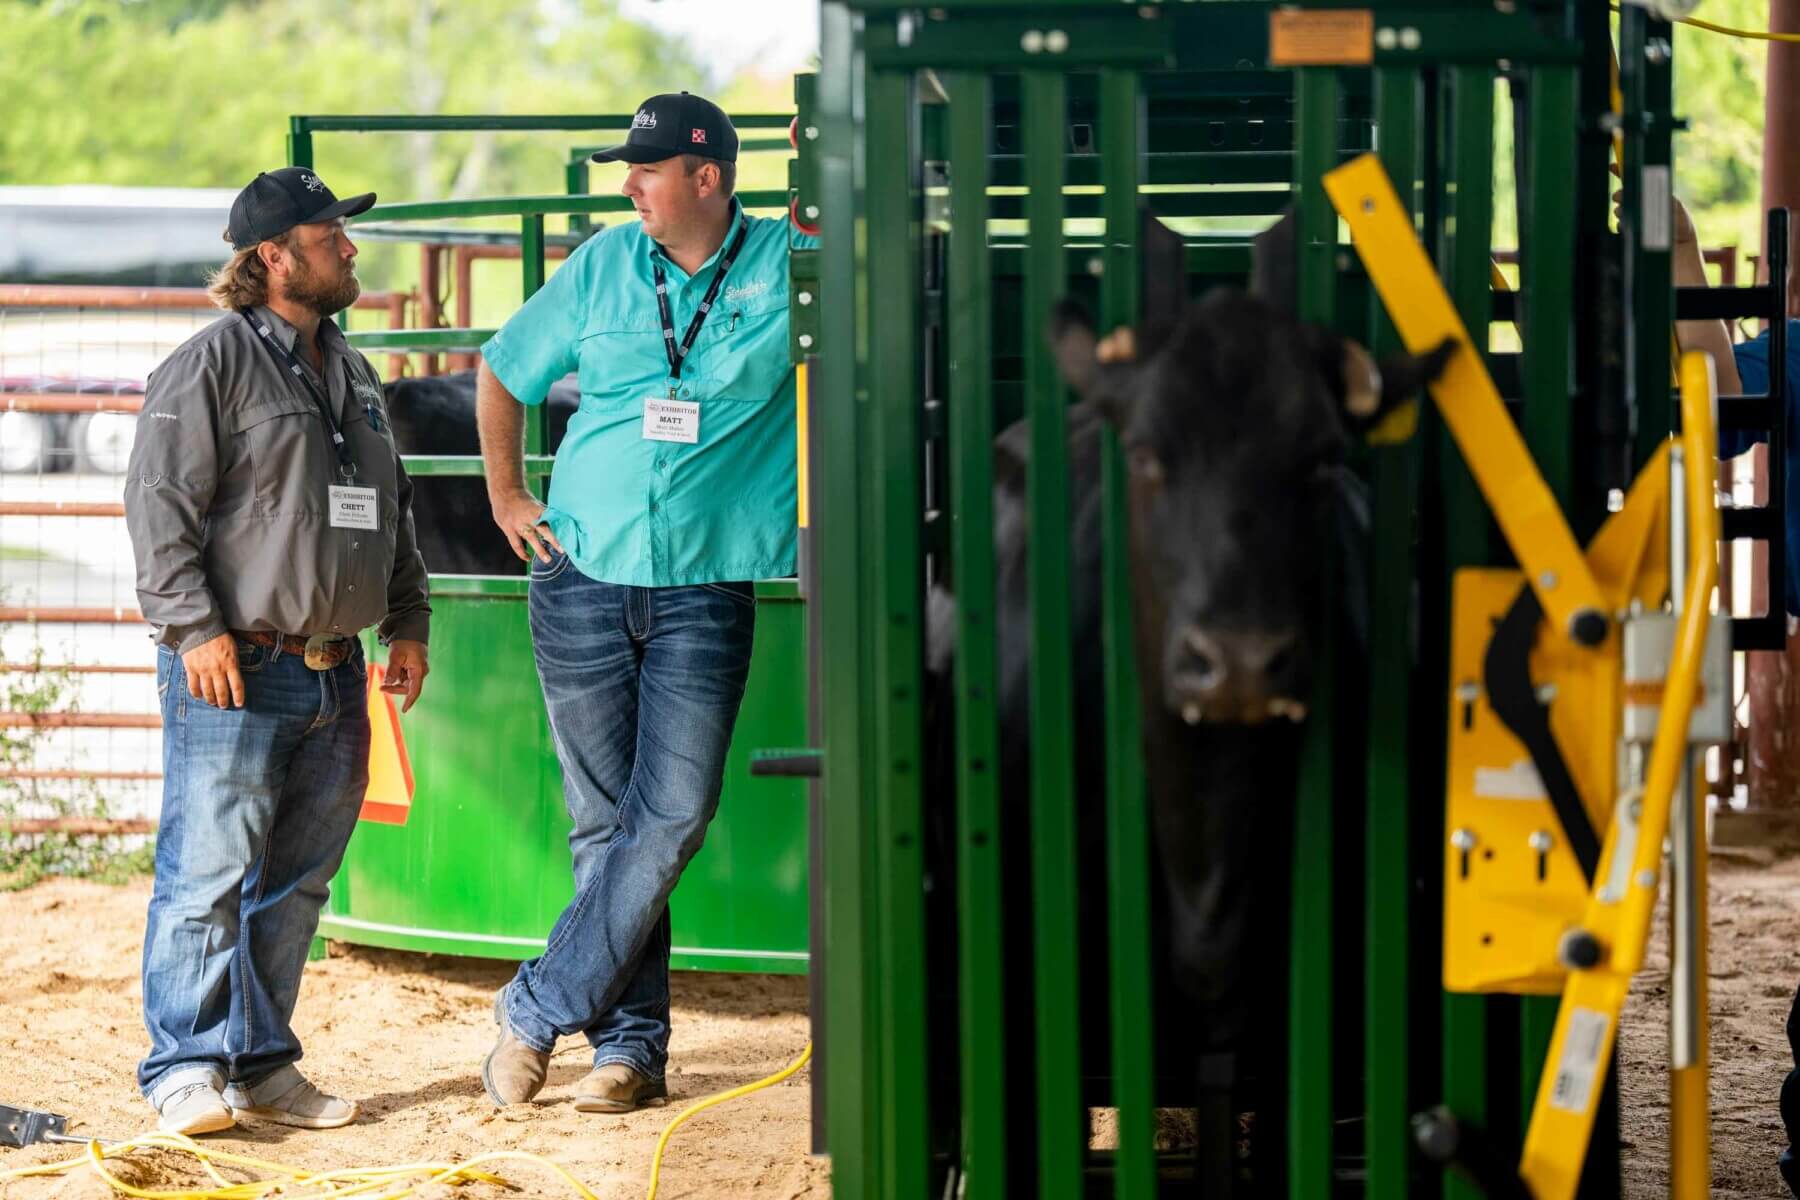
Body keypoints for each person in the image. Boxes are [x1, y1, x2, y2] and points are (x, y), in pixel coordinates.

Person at [473, 91, 815, 1113]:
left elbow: (849, 243)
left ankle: (533, 1012)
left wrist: (825, 163)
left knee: (670, 818)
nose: (631, 187)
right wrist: (505, 496)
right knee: (605, 827)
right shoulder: (603, 264)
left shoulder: (781, 267)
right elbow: (501, 371)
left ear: (706, 178)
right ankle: (629, 1052)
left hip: (705, 585)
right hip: (580, 573)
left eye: (648, 170)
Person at [123, 167, 432, 1135]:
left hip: (337, 669)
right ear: (273, 255)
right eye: (328, 230)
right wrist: (194, 628)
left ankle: (257, 1063)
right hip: (236, 662)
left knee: (295, 885)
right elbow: (157, 506)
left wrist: (408, 619)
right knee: (206, 876)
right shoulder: (208, 364)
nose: (347, 245)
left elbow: (392, 508)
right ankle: (182, 1065)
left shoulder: (353, 370)